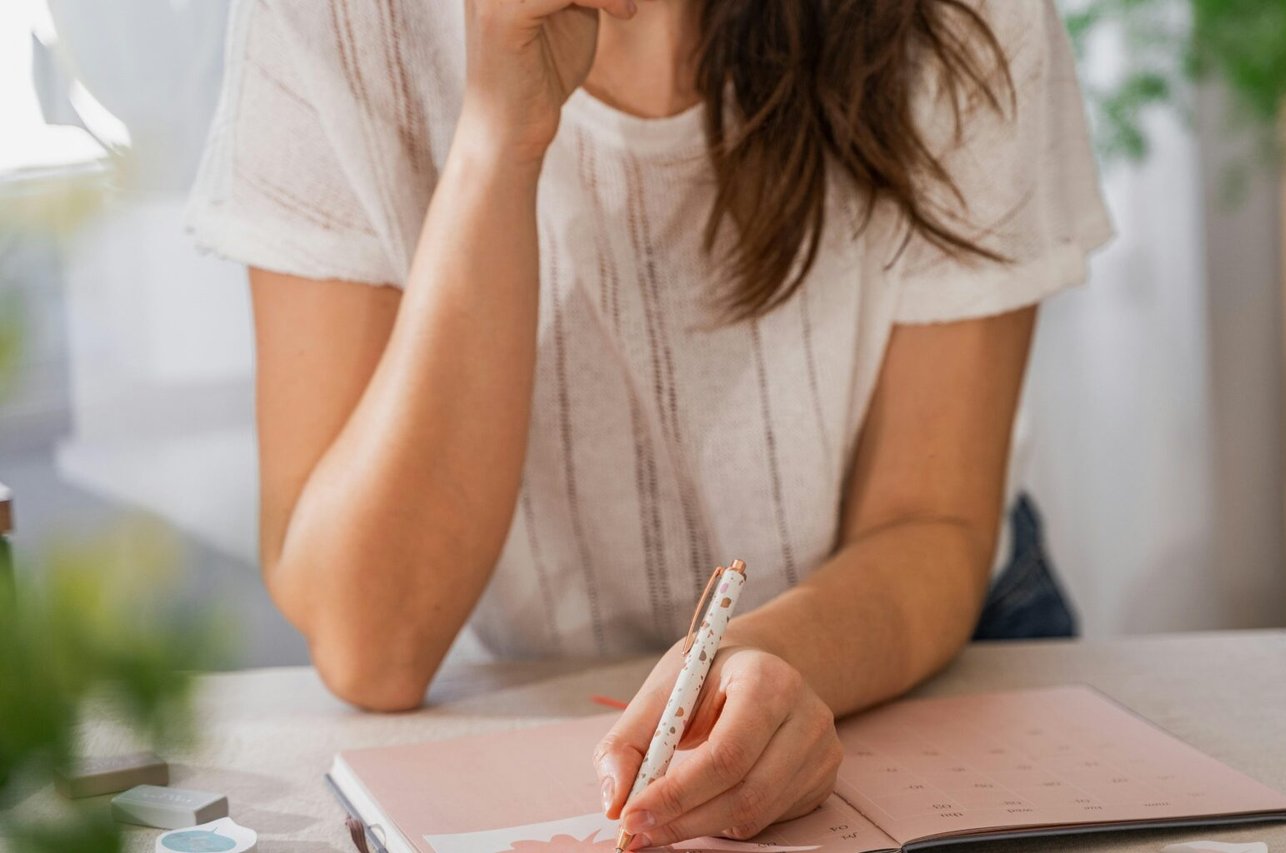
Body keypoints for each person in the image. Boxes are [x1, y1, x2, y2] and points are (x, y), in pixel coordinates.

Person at [187, 0, 1110, 846]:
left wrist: (766, 660)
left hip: (916, 656)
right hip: (545, 705)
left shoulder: (959, 16)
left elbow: (931, 520)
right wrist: (498, 137)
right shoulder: (330, 21)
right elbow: (373, 641)